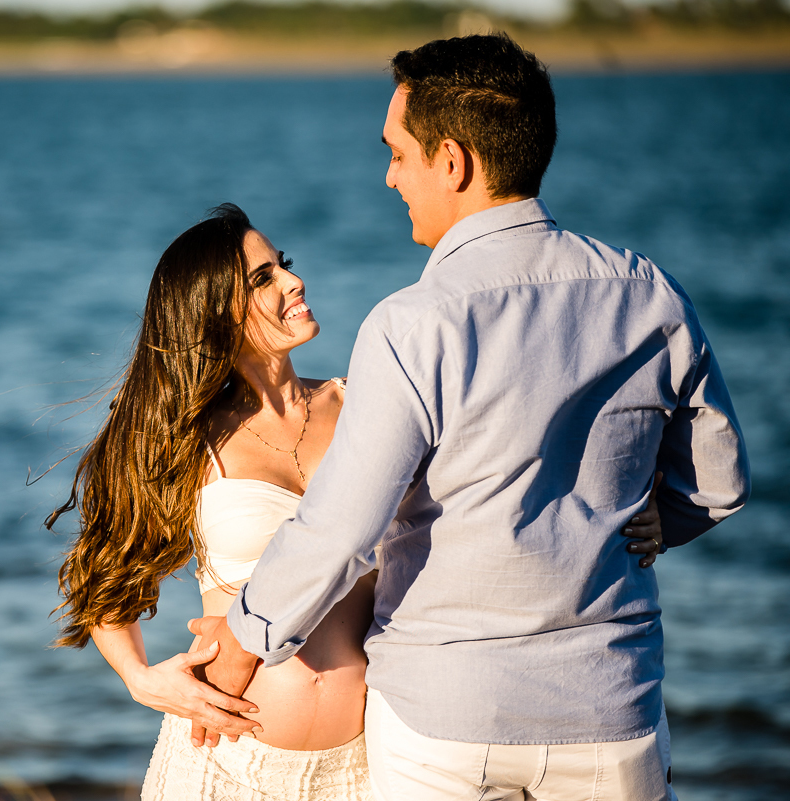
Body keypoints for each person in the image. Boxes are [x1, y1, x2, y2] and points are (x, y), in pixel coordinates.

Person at [191, 33, 751, 801]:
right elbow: (719, 483)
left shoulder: (412, 324)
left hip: (441, 723)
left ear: (452, 162)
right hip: (609, 708)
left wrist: (241, 642)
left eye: (397, 154)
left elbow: (340, 529)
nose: (390, 177)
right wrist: (660, 516)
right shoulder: (650, 294)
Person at [49, 202, 667, 800]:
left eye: (283, 263)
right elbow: (103, 578)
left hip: (369, 765)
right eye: (265, 277)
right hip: (226, 759)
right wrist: (140, 679)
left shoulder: (363, 406)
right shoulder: (185, 438)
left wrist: (634, 501)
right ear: (214, 311)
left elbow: (500, 478)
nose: (295, 280)